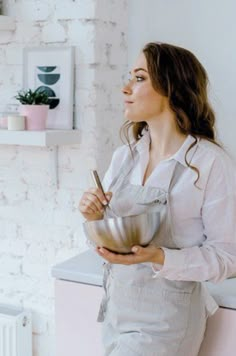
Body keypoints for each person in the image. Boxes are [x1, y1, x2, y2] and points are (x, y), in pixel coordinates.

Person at [79, 42, 236, 356]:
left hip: (166, 324)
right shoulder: (125, 157)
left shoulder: (210, 163)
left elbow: (227, 259)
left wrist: (158, 257)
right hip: (116, 315)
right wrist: (94, 219)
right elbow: (109, 245)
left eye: (139, 78)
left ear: (171, 87)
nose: (125, 88)